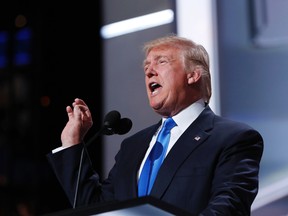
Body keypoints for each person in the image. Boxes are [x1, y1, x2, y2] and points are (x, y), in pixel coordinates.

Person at [47, 35, 264, 215]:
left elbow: (228, 209)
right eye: (146, 67)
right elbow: (97, 208)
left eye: (161, 62)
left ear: (193, 75)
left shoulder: (233, 138)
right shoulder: (133, 146)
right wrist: (72, 144)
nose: (149, 71)